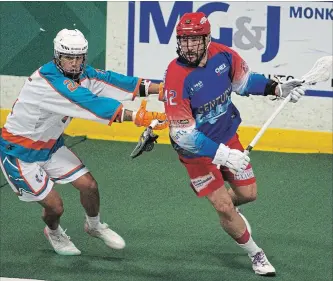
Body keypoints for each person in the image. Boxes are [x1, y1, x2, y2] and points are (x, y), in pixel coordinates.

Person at [158, 12, 305, 276]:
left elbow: (245, 82)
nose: (189, 47)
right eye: (184, 41)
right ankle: (255, 252)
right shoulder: (176, 77)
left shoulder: (223, 56)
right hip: (196, 152)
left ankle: (229, 209)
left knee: (248, 194)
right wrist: (223, 156)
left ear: (207, 38)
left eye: (195, 40)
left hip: (227, 134)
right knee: (223, 206)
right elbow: (184, 136)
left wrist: (276, 88)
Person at [0, 29, 166, 256]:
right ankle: (54, 231)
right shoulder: (49, 83)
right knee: (55, 207)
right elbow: (91, 104)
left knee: (89, 186)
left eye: (79, 58)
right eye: (69, 58)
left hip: (50, 146)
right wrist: (137, 117)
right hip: (20, 153)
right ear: (57, 57)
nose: (75, 63)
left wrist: (162, 89)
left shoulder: (82, 73)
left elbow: (113, 81)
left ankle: (94, 226)